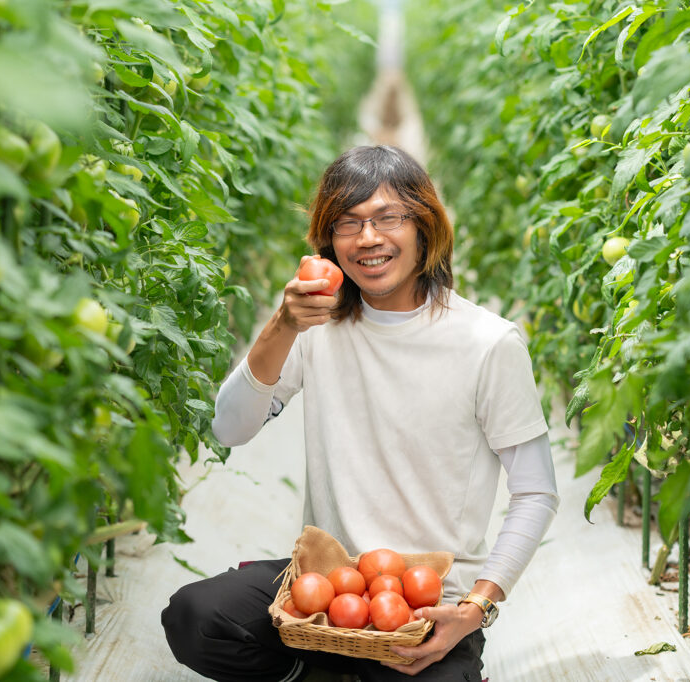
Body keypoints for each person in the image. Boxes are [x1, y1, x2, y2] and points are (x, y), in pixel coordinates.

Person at [161, 145, 559, 681]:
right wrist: (282, 325)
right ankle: (313, 671)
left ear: (425, 227)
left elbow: (536, 492)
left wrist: (476, 608)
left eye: (388, 218)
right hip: (327, 588)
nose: (367, 238)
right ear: (330, 242)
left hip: (427, 607)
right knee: (197, 618)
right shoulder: (315, 329)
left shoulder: (488, 343)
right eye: (347, 223)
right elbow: (228, 428)